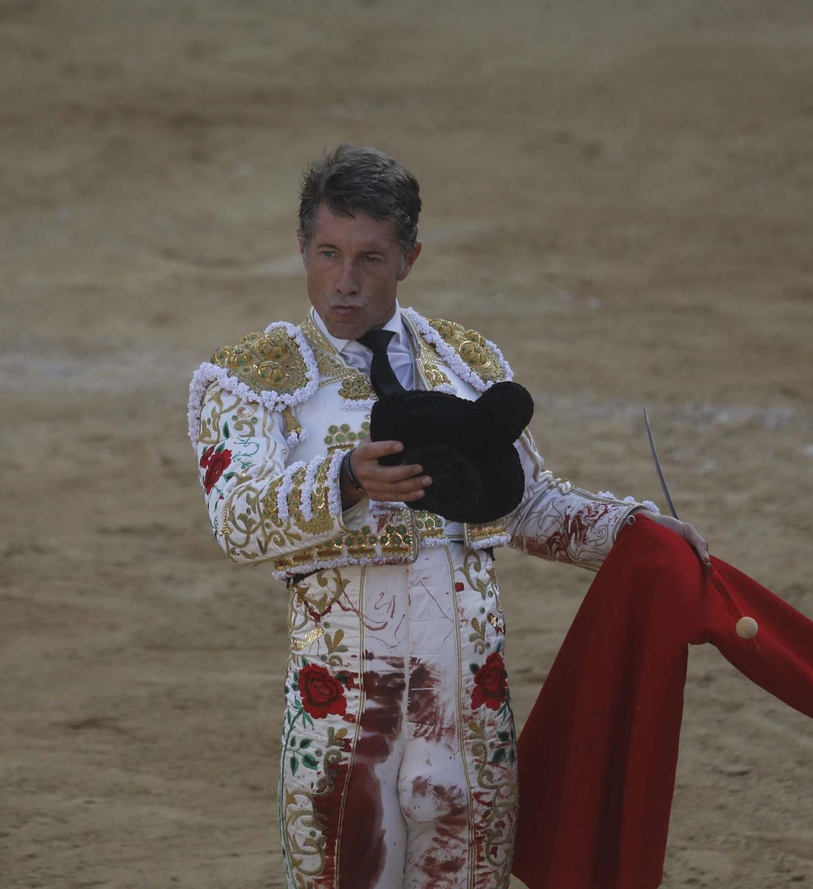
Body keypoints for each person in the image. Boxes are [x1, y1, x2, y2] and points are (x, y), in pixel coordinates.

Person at [185, 145, 709, 889]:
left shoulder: (466, 362)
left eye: (370, 257)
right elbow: (237, 521)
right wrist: (344, 479)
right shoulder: (252, 379)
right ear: (302, 247)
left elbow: (528, 501)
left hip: (466, 708)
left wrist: (636, 533)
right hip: (342, 719)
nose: (344, 280)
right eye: (328, 252)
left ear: (409, 258)